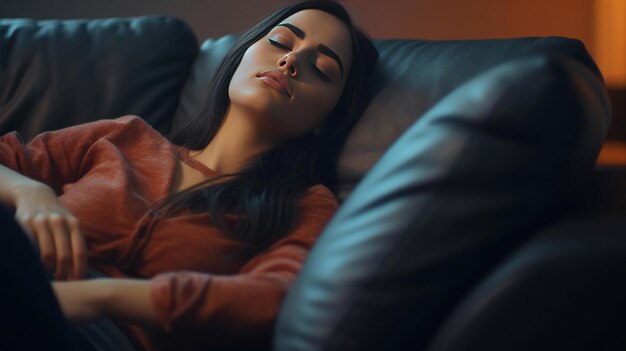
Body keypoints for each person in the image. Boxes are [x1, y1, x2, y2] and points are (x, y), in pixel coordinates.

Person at [0, 1, 378, 350]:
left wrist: (100, 298)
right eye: (280, 41)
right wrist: (30, 192)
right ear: (241, 56)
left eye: (322, 69)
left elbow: (277, 296)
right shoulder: (122, 137)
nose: (292, 59)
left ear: (327, 120)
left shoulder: (304, 205)